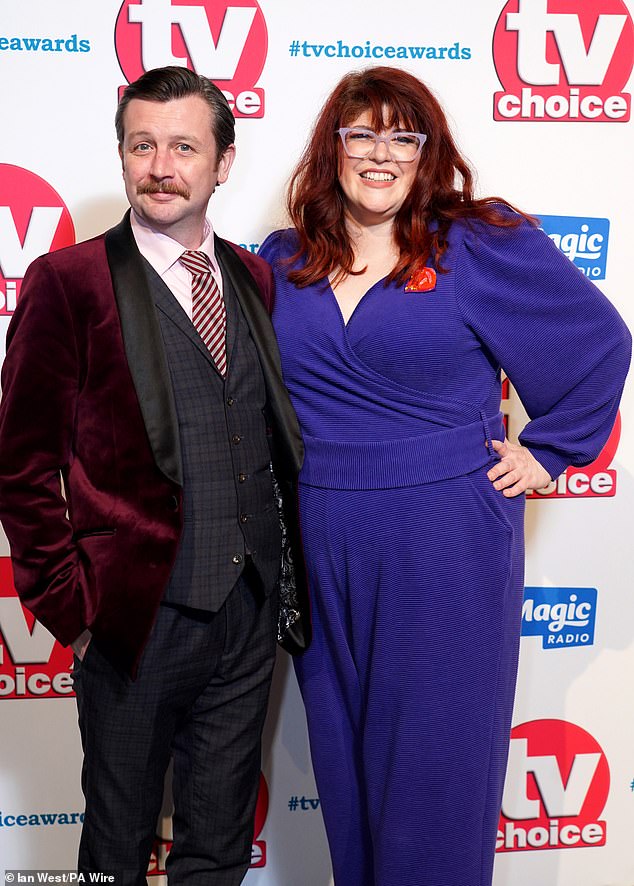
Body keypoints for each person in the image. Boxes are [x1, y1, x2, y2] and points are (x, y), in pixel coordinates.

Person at [259, 66, 631, 886]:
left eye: (404, 134)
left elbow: (601, 340)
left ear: (427, 151)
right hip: (323, 536)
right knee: (346, 763)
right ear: (336, 147)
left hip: (446, 537)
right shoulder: (284, 258)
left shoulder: (478, 243)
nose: (381, 153)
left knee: (435, 768)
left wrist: (552, 449)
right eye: (363, 133)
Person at [0, 66, 309, 885]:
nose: (160, 166)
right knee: (116, 845)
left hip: (246, 618)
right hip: (132, 624)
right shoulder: (67, 283)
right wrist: (75, 610)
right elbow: (22, 469)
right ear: (123, 155)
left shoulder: (252, 277)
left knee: (218, 844)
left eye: (183, 146)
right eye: (143, 145)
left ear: (224, 161)